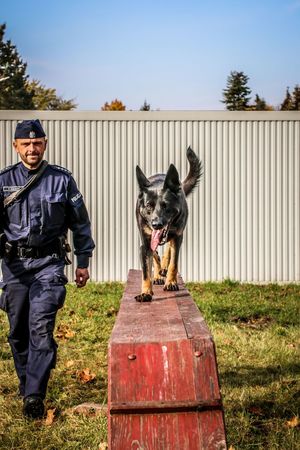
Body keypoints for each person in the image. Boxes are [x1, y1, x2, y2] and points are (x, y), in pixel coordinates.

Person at [0, 119, 95, 419]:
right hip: (14, 267)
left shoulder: (62, 180)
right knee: (17, 332)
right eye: (26, 144)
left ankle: (34, 397)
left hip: (49, 266)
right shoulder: (3, 181)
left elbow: (80, 222)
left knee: (40, 328)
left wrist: (83, 261)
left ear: (45, 143)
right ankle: (28, 382)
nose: (32, 148)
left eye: (37, 142)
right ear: (15, 146)